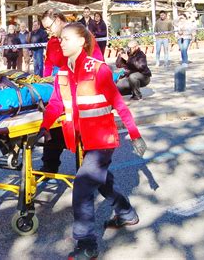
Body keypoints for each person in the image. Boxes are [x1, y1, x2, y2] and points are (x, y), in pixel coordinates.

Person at [36, 22, 147, 259]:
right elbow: (56, 103)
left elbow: (119, 103)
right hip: (84, 140)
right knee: (103, 181)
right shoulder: (63, 72)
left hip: (103, 140)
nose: (60, 42)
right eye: (60, 39)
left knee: (83, 186)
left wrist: (135, 135)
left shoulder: (99, 69)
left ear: (81, 42)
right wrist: (45, 126)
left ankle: (87, 243)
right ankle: (126, 213)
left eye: (66, 39)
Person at [40, 9, 104, 174]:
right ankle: (50, 165)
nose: (49, 31)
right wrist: (45, 80)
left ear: (58, 19)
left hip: (83, 91)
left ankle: (91, 171)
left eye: (49, 27)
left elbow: (97, 61)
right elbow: (48, 65)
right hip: (63, 89)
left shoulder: (82, 35)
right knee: (54, 128)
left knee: (86, 140)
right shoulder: (53, 41)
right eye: (46, 29)